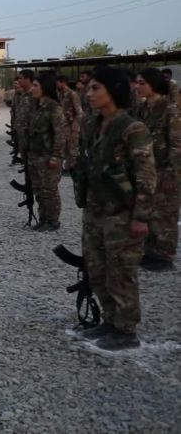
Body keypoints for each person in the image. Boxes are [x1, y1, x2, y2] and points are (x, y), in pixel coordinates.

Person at [74, 66, 156, 351]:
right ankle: (109, 320)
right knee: (97, 269)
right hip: (95, 210)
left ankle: (126, 328)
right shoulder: (91, 124)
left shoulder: (133, 128)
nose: (90, 93)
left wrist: (141, 217)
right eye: (90, 88)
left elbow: (146, 176)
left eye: (97, 88)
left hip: (122, 213)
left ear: (114, 90)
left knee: (120, 271)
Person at [134, 68, 181, 272]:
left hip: (164, 169)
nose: (137, 86)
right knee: (149, 211)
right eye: (137, 82)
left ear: (153, 84)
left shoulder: (170, 110)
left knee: (165, 215)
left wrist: (173, 173)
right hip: (147, 170)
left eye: (142, 83)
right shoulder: (141, 109)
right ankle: (150, 251)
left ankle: (164, 256)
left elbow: (177, 144)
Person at [26, 70, 65, 231]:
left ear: (45, 87)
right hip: (35, 155)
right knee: (39, 190)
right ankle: (43, 218)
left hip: (48, 156)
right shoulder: (36, 107)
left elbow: (60, 134)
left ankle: (53, 220)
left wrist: (56, 156)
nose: (32, 89)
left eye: (35, 85)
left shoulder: (53, 108)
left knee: (49, 190)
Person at [57, 75, 84, 174]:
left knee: (73, 148)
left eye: (57, 83)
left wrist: (75, 125)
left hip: (72, 125)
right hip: (64, 125)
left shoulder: (72, 94)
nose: (56, 85)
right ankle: (68, 167)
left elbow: (79, 112)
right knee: (66, 148)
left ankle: (73, 168)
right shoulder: (60, 94)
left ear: (63, 82)